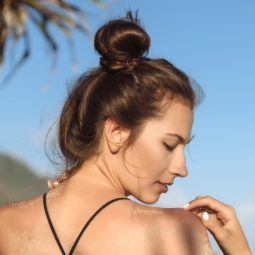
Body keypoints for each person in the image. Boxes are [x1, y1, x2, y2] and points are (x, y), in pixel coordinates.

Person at [0, 11, 252, 255]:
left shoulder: (6, 224)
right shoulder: (173, 230)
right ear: (117, 132)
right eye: (169, 145)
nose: (182, 169)